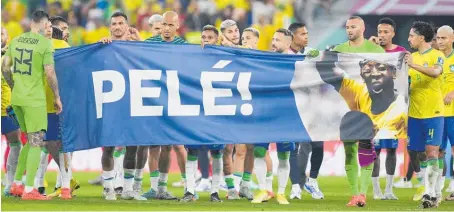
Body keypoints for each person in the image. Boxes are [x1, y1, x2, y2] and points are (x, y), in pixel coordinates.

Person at [2, 10, 62, 200]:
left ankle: (17, 184)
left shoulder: (16, 41)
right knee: (37, 141)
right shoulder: (45, 44)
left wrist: (13, 86)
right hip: (34, 100)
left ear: (31, 24)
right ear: (46, 26)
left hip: (17, 98)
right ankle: (30, 190)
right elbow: (50, 73)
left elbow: (4, 67)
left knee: (29, 140)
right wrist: (57, 97)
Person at [330, 16, 385, 207]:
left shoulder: (376, 51)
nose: (349, 30)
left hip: (368, 110)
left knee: (366, 150)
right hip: (346, 110)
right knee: (350, 151)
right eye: (346, 27)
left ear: (362, 28)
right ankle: (354, 194)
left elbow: (383, 83)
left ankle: (362, 193)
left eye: (353, 27)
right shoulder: (339, 51)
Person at [98, 11, 144, 201]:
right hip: (110, 102)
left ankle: (127, 189)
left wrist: (140, 40)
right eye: (114, 24)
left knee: (132, 147)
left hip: (132, 102)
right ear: (110, 27)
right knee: (108, 146)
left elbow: (149, 63)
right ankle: (108, 187)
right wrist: (99, 48)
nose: (117, 27)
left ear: (127, 26)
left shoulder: (135, 46)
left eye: (120, 23)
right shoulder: (103, 47)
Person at [143, 11, 186, 201]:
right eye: (164, 24)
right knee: (153, 145)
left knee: (168, 145)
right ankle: (153, 188)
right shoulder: (149, 44)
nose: (167, 28)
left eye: (170, 25)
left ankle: (162, 187)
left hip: (172, 101)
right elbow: (125, 52)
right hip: (152, 99)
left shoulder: (184, 46)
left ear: (177, 26)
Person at [179, 25, 224, 203]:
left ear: (217, 39)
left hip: (217, 112)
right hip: (196, 111)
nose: (205, 40)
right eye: (203, 37)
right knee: (192, 151)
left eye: (210, 37)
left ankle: (215, 192)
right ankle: (190, 191)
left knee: (217, 152)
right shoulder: (193, 59)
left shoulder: (225, 56)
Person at [252, 28, 295, 205]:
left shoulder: (295, 62)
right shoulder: (265, 60)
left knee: (284, 156)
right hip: (266, 113)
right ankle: (264, 190)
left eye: (278, 40)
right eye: (273, 39)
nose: (273, 42)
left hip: (286, 115)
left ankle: (281, 192)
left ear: (288, 44)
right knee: (258, 151)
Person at [405, 21, 445, 208]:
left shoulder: (438, 55)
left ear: (421, 37)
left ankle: (429, 193)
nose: (409, 39)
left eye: (412, 35)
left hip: (433, 112)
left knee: (432, 152)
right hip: (414, 113)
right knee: (417, 152)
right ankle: (434, 189)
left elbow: (436, 73)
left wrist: (413, 66)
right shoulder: (410, 57)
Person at [369, 17, 406, 201]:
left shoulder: (401, 53)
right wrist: (369, 49)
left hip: (394, 109)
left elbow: (404, 78)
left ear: (392, 33)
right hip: (373, 110)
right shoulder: (370, 50)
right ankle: (376, 190)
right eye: (379, 31)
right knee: (374, 151)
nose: (381, 35)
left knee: (391, 150)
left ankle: (389, 189)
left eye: (385, 32)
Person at [287, 22, 324, 200]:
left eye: (307, 33)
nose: (306, 37)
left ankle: (312, 180)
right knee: (294, 147)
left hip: (312, 106)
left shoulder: (311, 54)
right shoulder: (284, 56)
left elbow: (318, 80)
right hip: (292, 108)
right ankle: (296, 186)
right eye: (302, 34)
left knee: (318, 145)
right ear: (293, 36)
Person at [1, 26, 23, 198]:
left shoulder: (12, 57)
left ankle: (9, 184)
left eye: (2, 33)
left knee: (15, 143)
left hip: (7, 109)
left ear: (7, 37)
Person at [435, 25, 454, 202]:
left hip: (453, 113)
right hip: (437, 113)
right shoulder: (436, 58)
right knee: (437, 151)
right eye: (438, 38)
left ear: (452, 38)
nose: (440, 41)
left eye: (444, 38)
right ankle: (437, 188)